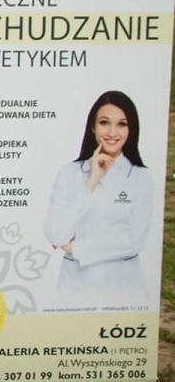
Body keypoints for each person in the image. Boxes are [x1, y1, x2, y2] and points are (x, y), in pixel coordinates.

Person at [44, 90, 153, 308]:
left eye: (122, 124)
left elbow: (135, 240)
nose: (112, 132)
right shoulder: (70, 173)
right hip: (75, 284)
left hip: (124, 284)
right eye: (104, 122)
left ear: (131, 129)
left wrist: (76, 248)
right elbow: (56, 234)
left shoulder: (141, 177)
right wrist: (92, 180)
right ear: (93, 127)